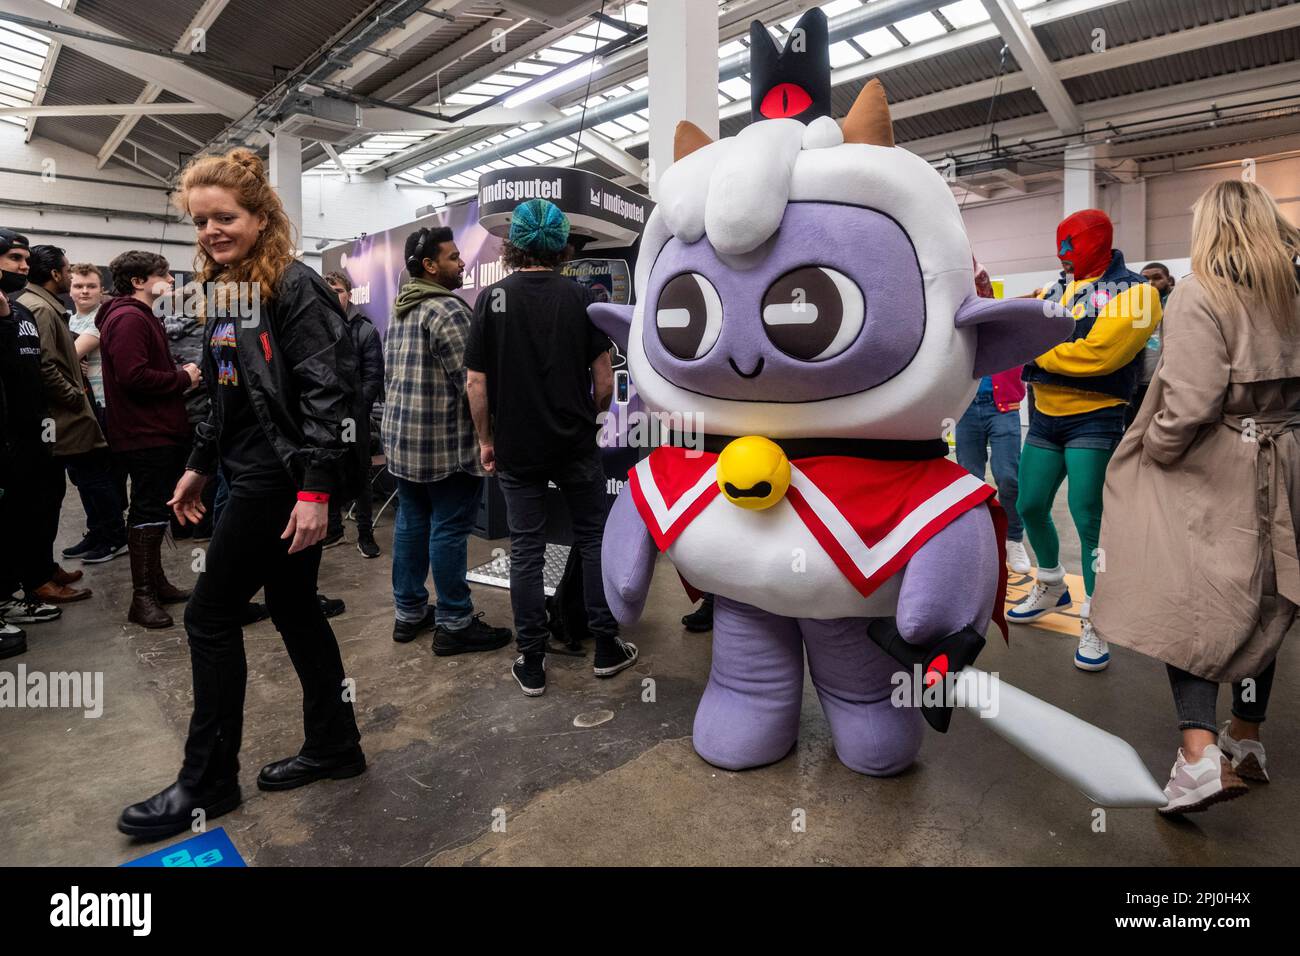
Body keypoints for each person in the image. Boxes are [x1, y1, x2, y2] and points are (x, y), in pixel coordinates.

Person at [118, 148, 364, 840]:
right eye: (200, 221)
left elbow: (329, 392)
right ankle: (336, 744)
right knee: (293, 606)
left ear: (260, 217)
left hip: (278, 480)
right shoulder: (228, 288)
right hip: (246, 470)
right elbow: (230, 394)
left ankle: (209, 781)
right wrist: (199, 464)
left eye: (223, 217)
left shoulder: (295, 285)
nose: (210, 231)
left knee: (209, 616)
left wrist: (315, 490)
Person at [1093, 180, 1300, 815]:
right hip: (1288, 457)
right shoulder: (1294, 291)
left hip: (1220, 462)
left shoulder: (1200, 292)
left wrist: (1155, 448)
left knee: (1193, 602)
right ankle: (1247, 736)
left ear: (1210, 228)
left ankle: (1197, 757)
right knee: (1262, 601)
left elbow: (1190, 401)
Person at [465, 199, 635, 697]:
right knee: (593, 538)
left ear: (513, 245)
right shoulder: (581, 297)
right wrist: (591, 418)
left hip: (517, 446)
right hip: (575, 442)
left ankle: (533, 661)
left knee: (526, 549)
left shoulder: (492, 299)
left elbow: (476, 384)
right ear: (562, 246)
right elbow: (604, 380)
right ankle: (606, 647)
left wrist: (487, 439)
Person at [1009, 208, 1161, 672]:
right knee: (1029, 505)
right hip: (1045, 416)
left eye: (1071, 241)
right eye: (1060, 241)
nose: (1063, 251)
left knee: (1088, 516)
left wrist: (1034, 349)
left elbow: (1098, 357)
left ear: (1099, 239)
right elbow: (1027, 329)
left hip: (1096, 417)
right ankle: (1052, 583)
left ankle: (1098, 616)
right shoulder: (1054, 289)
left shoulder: (1138, 293)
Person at [379, 225, 511, 651]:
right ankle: (455, 622)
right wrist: (490, 435)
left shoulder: (402, 308)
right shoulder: (449, 310)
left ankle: (409, 613)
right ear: (430, 266)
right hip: (444, 447)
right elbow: (472, 384)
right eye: (453, 257)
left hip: (403, 444)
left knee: (411, 523)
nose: (462, 262)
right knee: (450, 529)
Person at [97, 251, 199, 628]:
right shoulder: (129, 318)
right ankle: (142, 598)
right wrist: (183, 378)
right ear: (139, 281)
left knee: (152, 508)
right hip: (145, 433)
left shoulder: (140, 315)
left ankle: (155, 584)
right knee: (148, 509)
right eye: (163, 274)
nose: (171, 281)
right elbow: (133, 376)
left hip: (152, 430)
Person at [18, 245, 114, 593]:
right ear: (56, 274)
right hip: (57, 416)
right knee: (48, 495)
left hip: (61, 415)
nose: (75, 280)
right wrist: (74, 395)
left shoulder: (43, 305)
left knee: (62, 489)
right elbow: (44, 365)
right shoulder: (41, 308)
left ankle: (46, 567)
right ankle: (41, 574)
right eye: (70, 272)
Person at [0, 228, 62, 647]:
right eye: (15, 259)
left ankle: (15, 592)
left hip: (30, 435)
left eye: (26, 260)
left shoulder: (20, 310)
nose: (24, 267)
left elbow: (32, 370)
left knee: (26, 516)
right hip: (5, 438)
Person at [954, 262, 1031, 575]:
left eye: (982, 282)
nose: (979, 287)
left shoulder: (1005, 318)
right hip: (967, 408)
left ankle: (1014, 538)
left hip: (1004, 408)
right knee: (969, 479)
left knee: (1008, 476)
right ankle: (979, 539)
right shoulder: (958, 321)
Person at [323, 271, 384, 558]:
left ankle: (365, 534)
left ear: (349, 294)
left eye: (338, 290)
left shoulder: (365, 331)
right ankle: (333, 530)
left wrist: (356, 409)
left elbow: (373, 377)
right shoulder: (314, 326)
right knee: (326, 471)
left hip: (355, 416)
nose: (334, 296)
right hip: (323, 415)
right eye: (328, 291)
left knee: (360, 476)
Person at [1126, 262, 1176, 428]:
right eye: (1145, 279)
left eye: (1157, 278)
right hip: (1138, 383)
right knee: (1137, 428)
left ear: (1169, 280)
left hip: (1168, 383)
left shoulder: (1179, 305)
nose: (1151, 283)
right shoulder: (1132, 306)